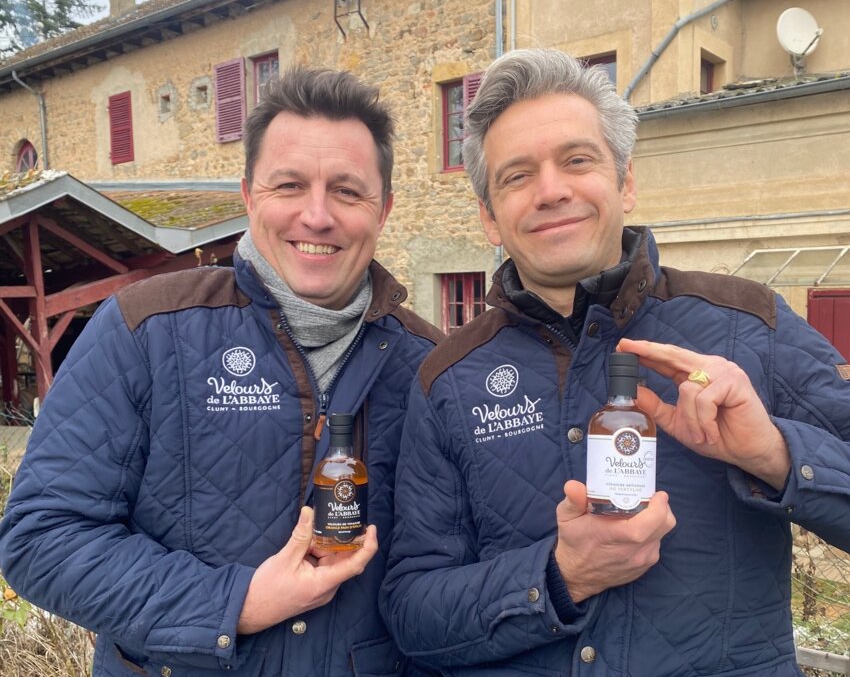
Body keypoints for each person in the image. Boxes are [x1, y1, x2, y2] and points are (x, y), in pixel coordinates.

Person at [382, 48, 850, 675]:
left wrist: (773, 454)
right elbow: (413, 614)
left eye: (577, 160)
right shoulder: (448, 379)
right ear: (491, 218)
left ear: (625, 181)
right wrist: (556, 578)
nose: (552, 191)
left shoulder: (750, 326)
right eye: (517, 176)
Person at [0, 67, 442, 676]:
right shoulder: (145, 329)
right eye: (289, 185)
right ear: (248, 197)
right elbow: (40, 539)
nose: (317, 216)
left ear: (384, 208)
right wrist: (235, 604)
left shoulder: (429, 366)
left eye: (347, 190)